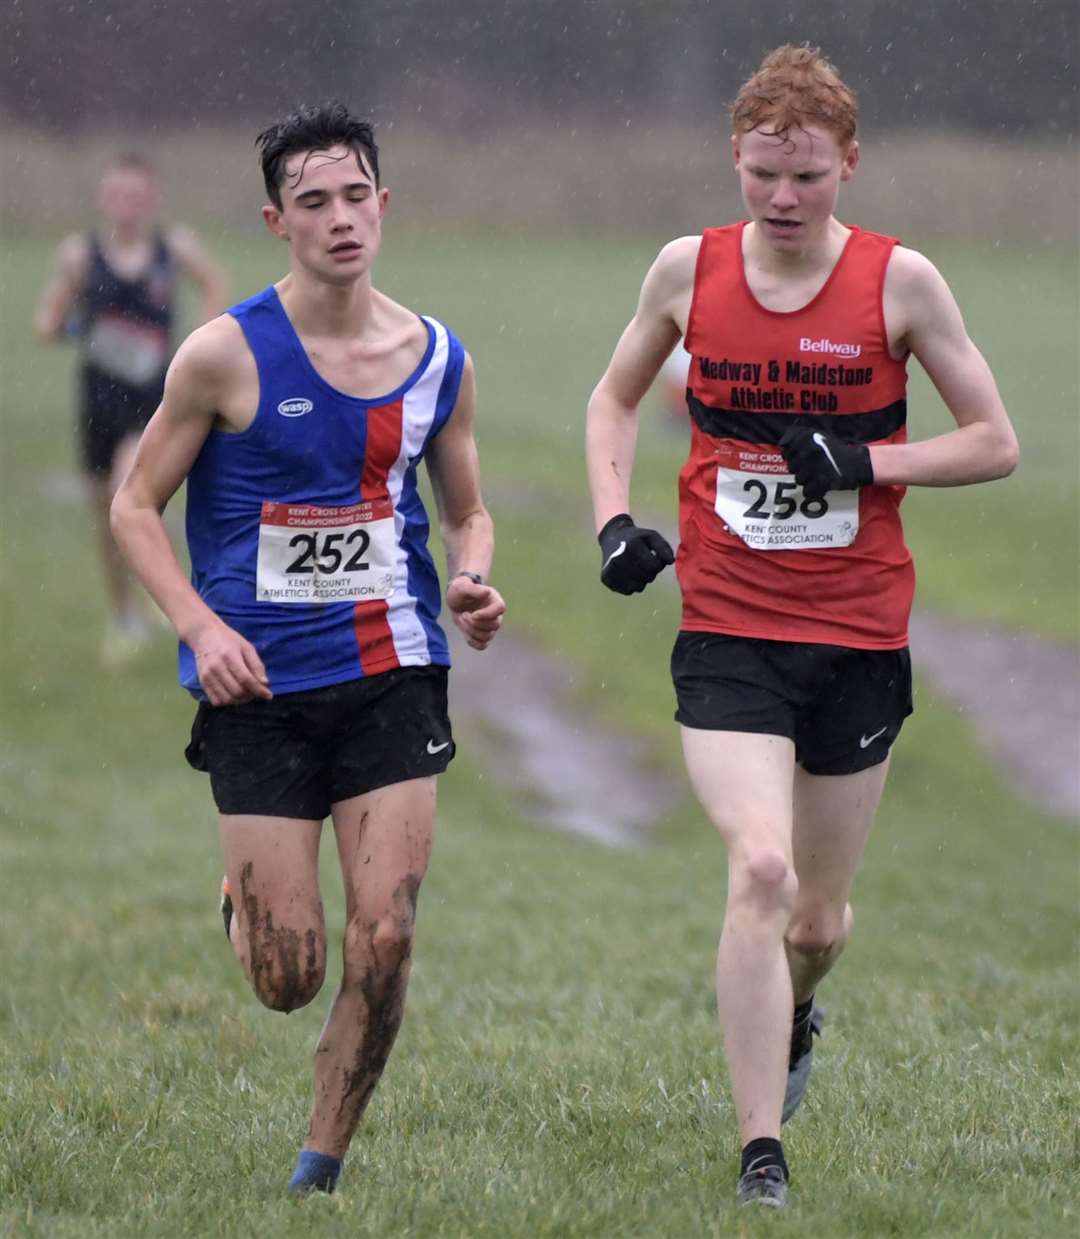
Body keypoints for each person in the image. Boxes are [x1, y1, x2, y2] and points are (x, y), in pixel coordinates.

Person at [585, 45, 1018, 1209]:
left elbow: (994, 440)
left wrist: (865, 460)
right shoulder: (687, 271)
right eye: (765, 174)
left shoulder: (901, 284)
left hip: (858, 636)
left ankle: (802, 1001)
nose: (784, 200)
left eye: (809, 179)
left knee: (816, 919)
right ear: (736, 157)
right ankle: (760, 1148)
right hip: (726, 626)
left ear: (849, 167)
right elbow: (614, 396)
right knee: (760, 870)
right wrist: (614, 522)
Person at [110, 103, 506, 1195]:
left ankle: (317, 1171)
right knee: (290, 976)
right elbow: (135, 507)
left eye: (356, 197)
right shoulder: (225, 354)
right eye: (314, 202)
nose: (341, 219)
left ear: (384, 206)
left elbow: (467, 510)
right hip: (261, 687)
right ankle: (248, 906)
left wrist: (471, 577)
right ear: (278, 219)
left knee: (385, 938)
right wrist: (200, 625)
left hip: (393, 671)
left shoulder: (437, 360)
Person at [34, 152, 227, 665]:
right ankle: (124, 615)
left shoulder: (174, 247)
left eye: (137, 196)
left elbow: (213, 283)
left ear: (152, 199)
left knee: (129, 490)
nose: (127, 206)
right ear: (104, 199)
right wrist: (85, 330)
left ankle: (172, 603)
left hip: (154, 401)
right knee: (106, 519)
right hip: (98, 401)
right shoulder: (81, 255)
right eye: (118, 195)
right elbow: (46, 322)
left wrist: (202, 343)